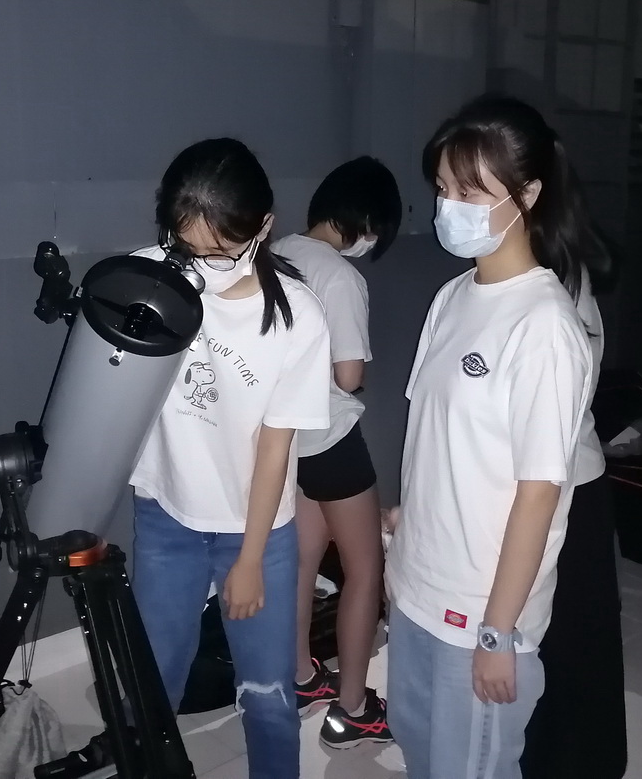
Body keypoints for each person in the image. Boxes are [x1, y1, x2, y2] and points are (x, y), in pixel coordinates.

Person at [383, 94, 609, 779]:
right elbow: (435, 434)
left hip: (480, 606)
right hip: (419, 582)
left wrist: (498, 632)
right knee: (420, 748)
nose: (448, 207)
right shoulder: (452, 297)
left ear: (528, 195)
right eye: (442, 189)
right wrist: (410, 517)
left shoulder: (544, 325)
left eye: (470, 191)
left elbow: (540, 494)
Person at [128, 138, 332, 779]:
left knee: (267, 697)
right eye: (185, 247)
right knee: (153, 688)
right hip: (165, 514)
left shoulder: (297, 317)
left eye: (219, 252)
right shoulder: (143, 277)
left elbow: (275, 447)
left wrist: (248, 558)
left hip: (256, 527)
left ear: (262, 227)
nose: (201, 267)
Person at [269, 157, 402, 748]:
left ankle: (300, 677)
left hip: (286, 440)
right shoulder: (339, 276)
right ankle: (352, 708)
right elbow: (349, 376)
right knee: (365, 571)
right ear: (365, 219)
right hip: (331, 440)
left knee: (302, 561)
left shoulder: (275, 252)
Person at [520, 263, 627, 779]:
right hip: (524, 482)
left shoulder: (560, 286)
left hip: (567, 482)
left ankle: (576, 761)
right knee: (542, 635)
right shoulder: (467, 289)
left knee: (572, 634)